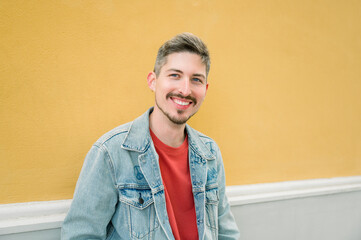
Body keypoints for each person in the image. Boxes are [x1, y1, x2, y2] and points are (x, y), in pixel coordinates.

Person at [61, 32, 240, 240]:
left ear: (205, 89)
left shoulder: (210, 153)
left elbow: (226, 233)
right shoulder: (110, 152)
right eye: (175, 75)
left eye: (196, 80)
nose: (185, 89)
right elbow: (81, 235)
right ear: (153, 81)